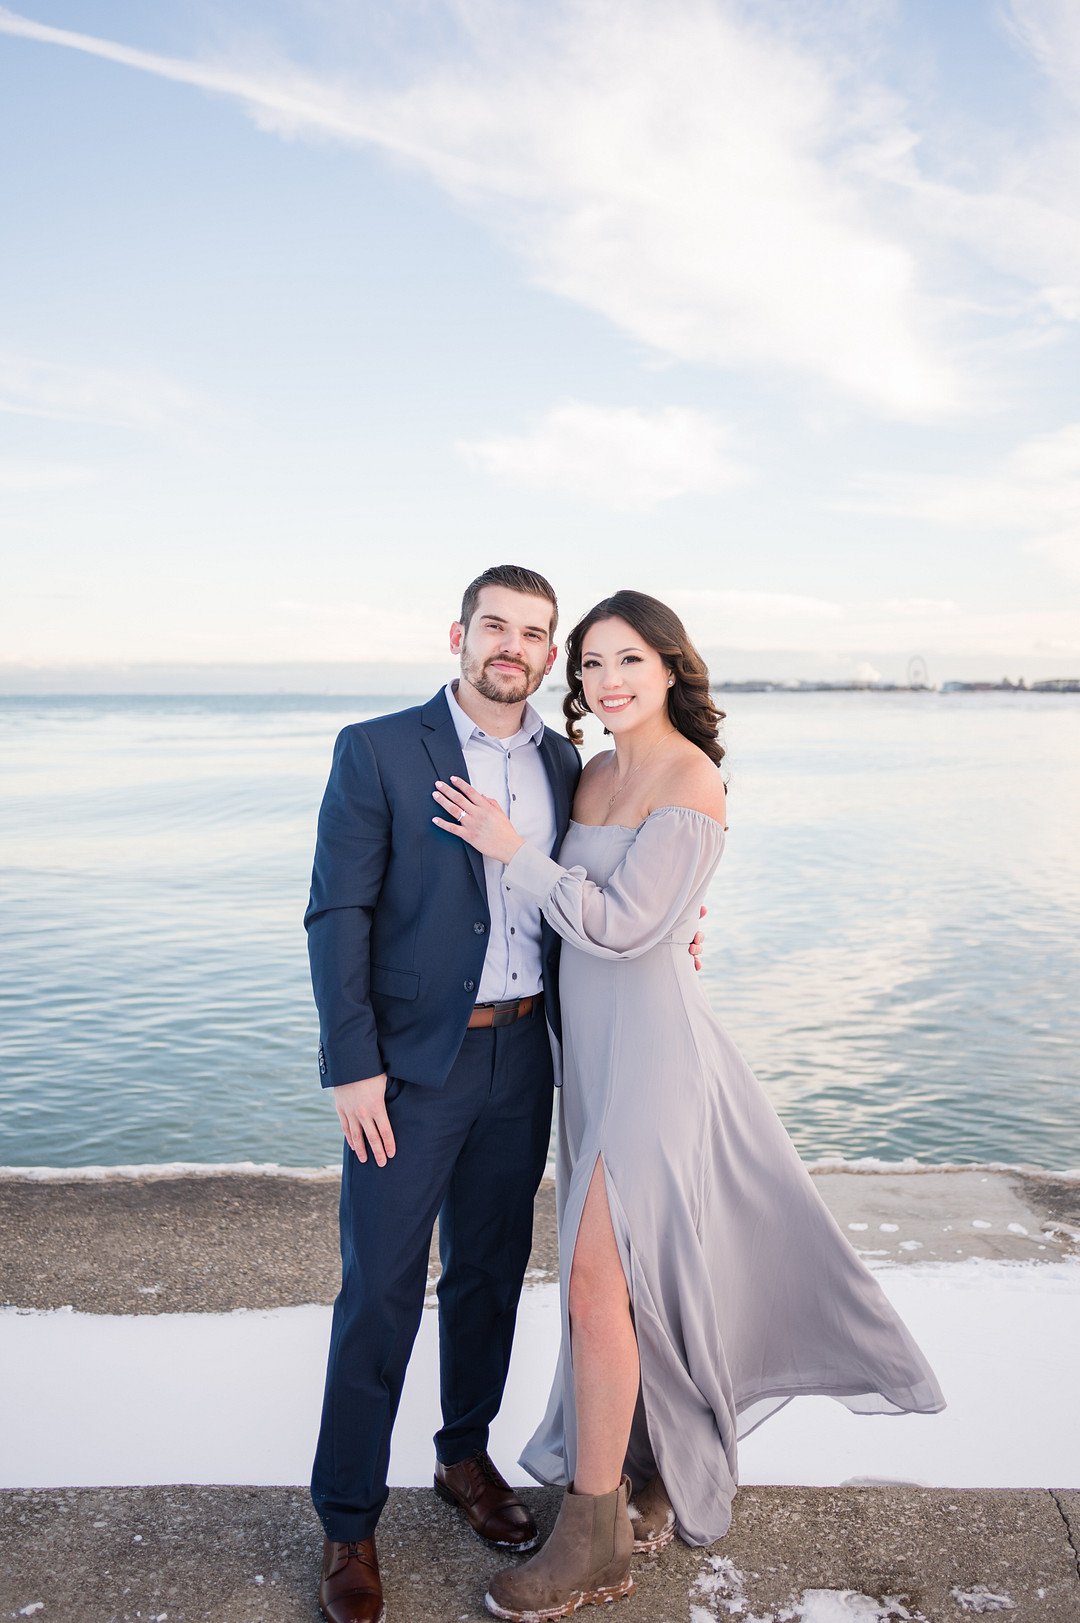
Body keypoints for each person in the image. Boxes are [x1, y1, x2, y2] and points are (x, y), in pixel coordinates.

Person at [431, 589, 946, 1622]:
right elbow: (604, 927)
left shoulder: (691, 777)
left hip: (656, 1056)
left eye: (628, 661)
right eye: (590, 665)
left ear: (671, 668)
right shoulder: (593, 775)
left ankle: (592, 1536)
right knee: (623, 1286)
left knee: (592, 1282)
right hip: (593, 1056)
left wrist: (512, 852)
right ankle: (646, 1469)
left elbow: (623, 927)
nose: (607, 681)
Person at [304, 564, 706, 1623]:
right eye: (497, 627)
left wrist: (681, 928)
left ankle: (463, 1457)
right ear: (460, 633)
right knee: (380, 1290)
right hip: (410, 1072)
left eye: (536, 633)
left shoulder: (569, 760)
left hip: (528, 1059)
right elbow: (336, 913)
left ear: (548, 654)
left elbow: (618, 887)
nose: (514, 648)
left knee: (487, 1276)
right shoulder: (380, 748)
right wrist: (351, 1063)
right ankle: (348, 1521)